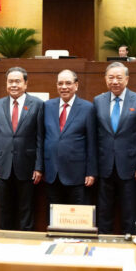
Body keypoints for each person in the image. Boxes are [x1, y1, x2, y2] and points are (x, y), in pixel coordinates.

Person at [93, 61, 136, 234]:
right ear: (105, 79)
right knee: (104, 212)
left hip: (130, 167)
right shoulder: (98, 101)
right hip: (104, 166)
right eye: (111, 77)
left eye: (119, 77)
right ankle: (104, 242)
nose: (115, 81)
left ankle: (129, 241)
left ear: (127, 79)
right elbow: (95, 136)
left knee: (130, 212)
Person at [0, 67, 44, 230]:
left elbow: (40, 137)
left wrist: (39, 167)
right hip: (2, 165)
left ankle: (26, 240)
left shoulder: (37, 104)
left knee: (26, 209)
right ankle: (5, 239)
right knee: (4, 209)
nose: (13, 85)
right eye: (10, 81)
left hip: (27, 165)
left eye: (17, 81)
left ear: (25, 84)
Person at [43, 69, 97, 205]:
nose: (64, 87)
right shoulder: (47, 106)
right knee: (54, 214)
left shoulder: (87, 108)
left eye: (68, 83)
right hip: (52, 173)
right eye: (60, 83)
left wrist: (91, 172)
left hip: (77, 174)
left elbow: (92, 142)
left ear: (76, 85)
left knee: (76, 214)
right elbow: (42, 137)